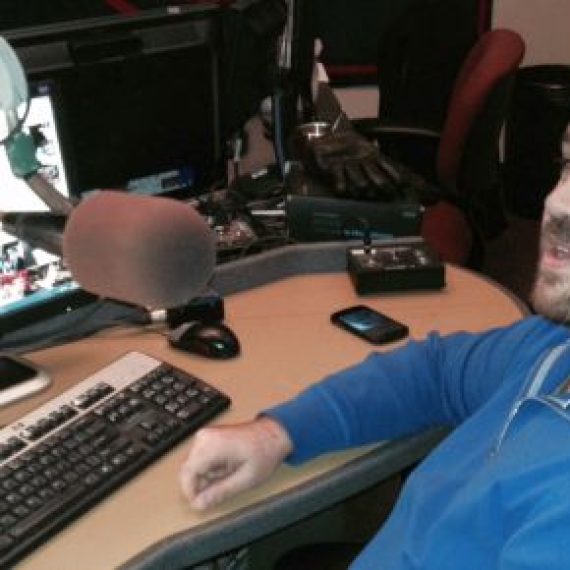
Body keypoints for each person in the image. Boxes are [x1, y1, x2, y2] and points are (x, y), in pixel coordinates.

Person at [180, 126, 570, 569]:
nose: (556, 203)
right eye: (566, 166)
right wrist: (277, 434)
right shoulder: (553, 346)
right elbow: (436, 372)